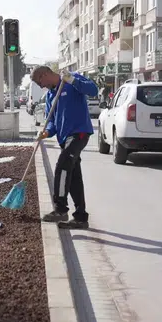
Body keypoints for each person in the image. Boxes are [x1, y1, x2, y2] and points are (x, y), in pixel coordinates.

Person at [31, 66, 98, 230]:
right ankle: (81, 218)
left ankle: (60, 209)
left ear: (45, 74)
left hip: (78, 133)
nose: (42, 87)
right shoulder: (50, 96)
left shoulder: (71, 79)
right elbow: (52, 121)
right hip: (64, 138)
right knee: (74, 177)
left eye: (40, 82)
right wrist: (46, 132)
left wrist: (73, 81)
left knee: (62, 168)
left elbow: (93, 90)